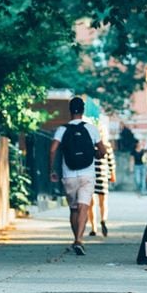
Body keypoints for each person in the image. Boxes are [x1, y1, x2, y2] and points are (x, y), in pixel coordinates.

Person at [49, 97, 105, 255]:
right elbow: (103, 150)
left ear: (70, 110)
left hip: (69, 175)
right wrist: (97, 155)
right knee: (83, 208)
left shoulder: (63, 129)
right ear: (83, 110)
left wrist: (51, 170)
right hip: (87, 174)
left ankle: (76, 239)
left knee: (74, 209)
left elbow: (53, 149)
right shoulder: (91, 128)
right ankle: (79, 240)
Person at [88, 140, 116, 236]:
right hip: (102, 175)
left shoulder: (90, 144)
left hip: (91, 175)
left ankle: (93, 228)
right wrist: (112, 174)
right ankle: (103, 220)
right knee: (103, 202)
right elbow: (111, 162)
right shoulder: (107, 146)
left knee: (91, 204)